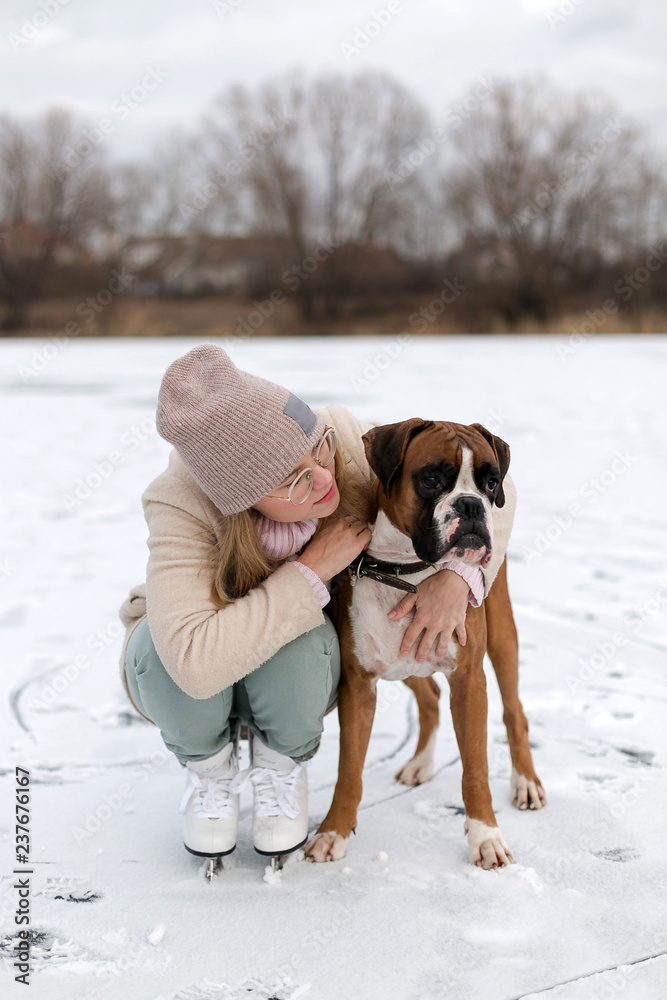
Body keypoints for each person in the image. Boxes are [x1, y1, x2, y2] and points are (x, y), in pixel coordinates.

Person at [118, 344, 515, 864]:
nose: (327, 478)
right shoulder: (180, 502)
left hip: (284, 650)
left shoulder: (348, 444)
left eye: (320, 452)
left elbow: (493, 485)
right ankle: (208, 769)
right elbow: (194, 662)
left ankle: (280, 762)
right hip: (196, 653)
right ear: (242, 497)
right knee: (165, 661)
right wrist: (311, 574)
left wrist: (459, 576)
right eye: (296, 479)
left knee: (304, 650)